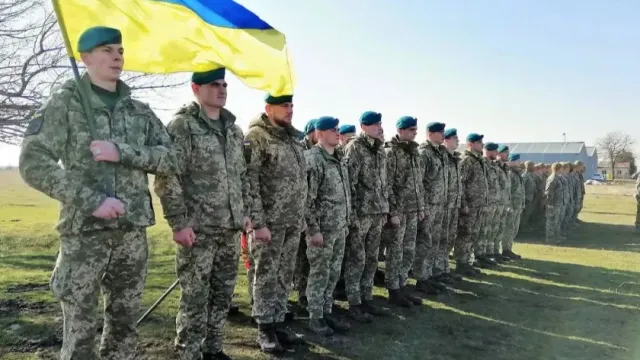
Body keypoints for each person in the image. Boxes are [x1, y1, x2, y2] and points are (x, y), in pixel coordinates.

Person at [18, 26, 178, 359]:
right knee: (80, 330)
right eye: (106, 50)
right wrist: (93, 202)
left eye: (120, 50)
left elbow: (172, 159)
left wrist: (122, 151)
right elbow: (33, 163)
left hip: (131, 231)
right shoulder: (66, 103)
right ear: (85, 57)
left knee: (124, 325)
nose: (117, 56)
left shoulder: (139, 111)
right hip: (85, 233)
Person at [153, 68, 251, 360]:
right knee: (195, 297)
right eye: (214, 85)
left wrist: (244, 213)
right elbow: (167, 177)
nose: (221, 89)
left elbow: (241, 176)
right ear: (196, 88)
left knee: (222, 295)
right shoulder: (183, 127)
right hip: (198, 231)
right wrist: (179, 223)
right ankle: (189, 352)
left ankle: (213, 348)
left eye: (224, 84)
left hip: (229, 228)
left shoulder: (233, 131)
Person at [244, 93, 307, 353]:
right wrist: (258, 222)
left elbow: (301, 181)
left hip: (292, 220)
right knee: (266, 276)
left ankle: (278, 321)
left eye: (292, 105)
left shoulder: (293, 140)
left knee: (284, 275)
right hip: (268, 223)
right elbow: (249, 181)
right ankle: (264, 327)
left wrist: (301, 217)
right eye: (284, 105)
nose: (290, 109)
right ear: (268, 108)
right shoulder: (257, 138)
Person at [303, 116, 352, 335]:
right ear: (320, 133)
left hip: (339, 226)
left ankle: (327, 310)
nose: (337, 132)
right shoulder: (313, 159)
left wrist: (346, 221)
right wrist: (313, 230)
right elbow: (307, 199)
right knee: (319, 273)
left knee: (333, 273)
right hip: (321, 230)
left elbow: (345, 193)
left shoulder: (338, 157)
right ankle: (315, 317)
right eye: (332, 130)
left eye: (338, 129)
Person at [343, 111, 390, 322]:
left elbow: (384, 183)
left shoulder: (380, 150)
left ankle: (367, 297)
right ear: (362, 126)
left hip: (378, 212)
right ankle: (354, 302)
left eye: (379, 123)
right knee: (357, 258)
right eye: (372, 124)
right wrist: (351, 214)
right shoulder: (355, 148)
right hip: (361, 213)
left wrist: (386, 208)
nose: (377, 127)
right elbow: (349, 184)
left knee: (372, 258)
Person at [383, 116, 425, 308]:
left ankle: (402, 285)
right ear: (400, 130)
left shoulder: (414, 153)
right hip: (399, 211)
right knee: (396, 251)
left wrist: (421, 207)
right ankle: (393, 289)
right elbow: (387, 184)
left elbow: (419, 183)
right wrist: (393, 211)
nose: (414, 133)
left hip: (413, 210)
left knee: (408, 249)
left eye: (415, 130)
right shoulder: (391, 153)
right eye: (410, 130)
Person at [414, 122, 449, 293]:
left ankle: (429, 274)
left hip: (439, 204)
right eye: (439, 132)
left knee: (434, 241)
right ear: (430, 134)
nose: (443, 135)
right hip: (428, 205)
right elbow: (418, 183)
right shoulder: (424, 153)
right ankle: (421, 277)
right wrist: (422, 206)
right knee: (424, 241)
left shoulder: (440, 153)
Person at [294, 118, 318, 308]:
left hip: (314, 211)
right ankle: (302, 292)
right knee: (301, 256)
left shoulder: (321, 152)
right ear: (311, 132)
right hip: (299, 210)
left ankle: (310, 292)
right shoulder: (300, 150)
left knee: (312, 257)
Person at [456, 133, 487, 276]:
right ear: (470, 144)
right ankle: (461, 263)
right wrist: (464, 204)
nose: (482, 144)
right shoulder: (467, 160)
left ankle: (468, 261)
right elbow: (460, 184)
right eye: (479, 142)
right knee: (465, 235)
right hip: (469, 205)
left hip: (478, 205)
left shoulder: (478, 160)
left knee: (473, 234)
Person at [503, 153, 524, 260]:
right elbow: (508, 192)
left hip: (517, 206)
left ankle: (508, 249)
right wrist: (509, 206)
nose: (519, 162)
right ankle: (506, 250)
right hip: (511, 207)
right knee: (509, 229)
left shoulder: (517, 174)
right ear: (511, 161)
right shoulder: (511, 174)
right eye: (517, 160)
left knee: (514, 229)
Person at [545, 162, 564, 243]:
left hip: (557, 203)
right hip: (553, 204)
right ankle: (550, 238)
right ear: (558, 168)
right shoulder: (552, 178)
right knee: (551, 221)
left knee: (556, 221)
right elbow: (548, 192)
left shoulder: (557, 178)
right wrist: (550, 204)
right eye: (561, 168)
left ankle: (556, 237)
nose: (562, 170)